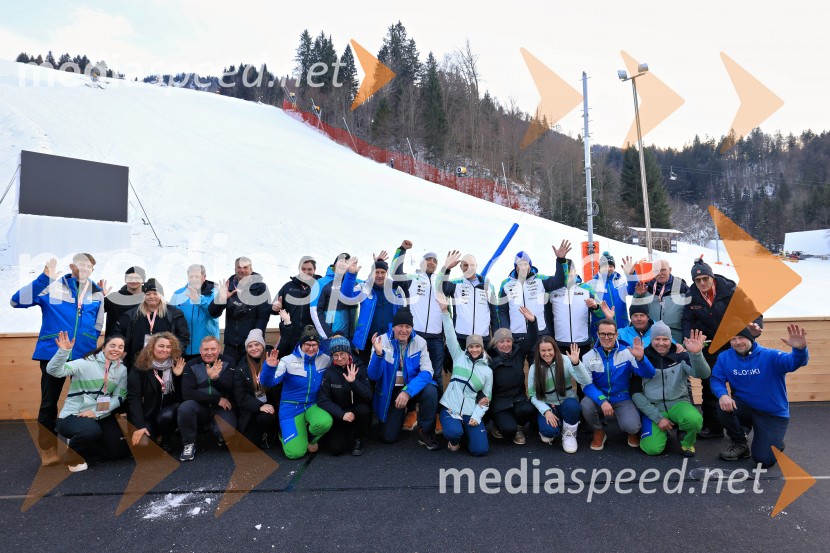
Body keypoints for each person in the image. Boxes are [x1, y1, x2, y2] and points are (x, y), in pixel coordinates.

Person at [11, 254, 105, 465]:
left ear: (92, 269)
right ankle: (48, 447)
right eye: (80, 264)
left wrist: (88, 343)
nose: (84, 268)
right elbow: (16, 301)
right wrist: (43, 278)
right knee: (49, 403)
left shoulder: (97, 294)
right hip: (54, 354)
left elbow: (98, 325)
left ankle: (79, 445)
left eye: (88, 266)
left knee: (84, 401)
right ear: (72, 266)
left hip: (83, 356)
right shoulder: (51, 287)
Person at [682, 257, 763, 439]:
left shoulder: (732, 290)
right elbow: (687, 319)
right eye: (698, 280)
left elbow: (754, 313)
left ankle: (742, 426)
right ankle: (713, 427)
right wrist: (687, 339)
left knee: (739, 385)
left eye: (705, 279)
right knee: (710, 384)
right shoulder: (690, 295)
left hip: (735, 343)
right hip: (710, 345)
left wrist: (756, 327)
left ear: (712, 277)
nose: (702, 283)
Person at [712, 324, 809, 468]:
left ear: (751, 338)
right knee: (723, 406)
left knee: (763, 460)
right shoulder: (725, 357)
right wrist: (722, 394)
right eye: (733, 339)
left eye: (741, 337)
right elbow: (716, 379)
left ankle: (775, 441)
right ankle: (740, 443)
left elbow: (793, 362)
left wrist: (800, 350)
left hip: (771, 413)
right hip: (745, 407)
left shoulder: (770, 355)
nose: (737, 342)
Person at [47, 331, 129, 472]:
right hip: (73, 416)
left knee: (118, 452)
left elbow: (120, 396)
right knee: (90, 430)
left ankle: (82, 444)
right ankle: (71, 456)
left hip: (101, 415)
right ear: (103, 347)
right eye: (113, 345)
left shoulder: (122, 370)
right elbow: (54, 371)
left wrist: (96, 412)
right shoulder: (84, 363)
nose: (116, 349)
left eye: (120, 347)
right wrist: (63, 352)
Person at [633, 324, 710, 457]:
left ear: (670, 339)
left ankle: (686, 441)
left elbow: (703, 374)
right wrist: (658, 418)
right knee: (652, 449)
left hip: (678, 403)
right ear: (651, 339)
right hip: (654, 407)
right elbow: (635, 393)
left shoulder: (681, 355)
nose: (661, 343)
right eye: (657, 339)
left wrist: (696, 354)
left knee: (694, 420)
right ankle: (663, 430)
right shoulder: (640, 356)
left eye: (665, 339)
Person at [367, 308, 440, 450]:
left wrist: (407, 391)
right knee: (387, 437)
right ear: (393, 327)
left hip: (412, 387)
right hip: (391, 391)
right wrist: (378, 354)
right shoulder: (381, 341)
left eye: (408, 326)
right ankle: (400, 417)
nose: (404, 330)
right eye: (400, 326)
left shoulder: (420, 342)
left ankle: (424, 432)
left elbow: (427, 372)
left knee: (431, 390)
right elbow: (373, 376)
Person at [391, 241, 445, 431]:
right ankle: (412, 412)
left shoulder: (442, 283)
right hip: (416, 336)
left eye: (434, 260)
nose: (431, 262)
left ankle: (438, 415)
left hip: (437, 337)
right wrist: (402, 250)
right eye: (428, 259)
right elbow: (395, 273)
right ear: (422, 263)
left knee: (437, 377)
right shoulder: (413, 279)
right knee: (412, 373)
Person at [581, 319, 656, 450]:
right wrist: (602, 401)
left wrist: (641, 359)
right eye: (602, 334)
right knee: (585, 404)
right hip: (600, 398)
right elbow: (586, 385)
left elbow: (649, 374)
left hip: (623, 398)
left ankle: (631, 432)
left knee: (632, 427)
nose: (606, 337)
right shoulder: (587, 357)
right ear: (598, 335)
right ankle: (599, 431)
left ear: (616, 334)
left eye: (610, 334)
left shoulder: (627, 352)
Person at [261, 325, 333, 459]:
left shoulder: (325, 359)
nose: (311, 348)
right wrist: (269, 367)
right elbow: (268, 383)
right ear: (301, 343)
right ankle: (283, 433)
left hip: (313, 405)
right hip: (291, 408)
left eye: (314, 344)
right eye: (307, 344)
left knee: (324, 422)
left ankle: (309, 438)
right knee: (295, 453)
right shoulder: (287, 360)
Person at [437, 295, 492, 456]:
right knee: (454, 433)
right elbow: (450, 334)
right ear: (467, 348)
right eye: (471, 347)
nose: (474, 349)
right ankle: (454, 441)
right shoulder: (458, 356)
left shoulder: (487, 371)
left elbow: (486, 399)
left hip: (470, 412)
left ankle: (468, 433)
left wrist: (477, 416)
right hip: (450, 408)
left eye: (477, 347)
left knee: (480, 450)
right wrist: (445, 311)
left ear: (482, 349)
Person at [527, 336, 591, 453]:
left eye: (549, 350)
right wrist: (546, 411)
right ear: (539, 352)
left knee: (572, 406)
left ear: (555, 349)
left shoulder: (566, 360)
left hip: (567, 402)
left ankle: (569, 434)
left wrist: (576, 363)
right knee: (548, 434)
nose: (547, 354)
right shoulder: (534, 368)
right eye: (543, 351)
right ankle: (558, 425)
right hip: (549, 405)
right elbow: (532, 395)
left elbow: (585, 381)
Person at [497, 241, 570, 343]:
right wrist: (506, 332)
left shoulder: (540, 280)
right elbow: (502, 311)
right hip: (516, 334)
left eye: (526, 264)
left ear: (530, 266)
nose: (523, 267)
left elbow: (560, 282)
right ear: (515, 267)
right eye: (520, 264)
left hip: (539, 332)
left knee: (539, 359)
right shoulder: (506, 284)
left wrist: (560, 260)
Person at [177, 336, 236, 462]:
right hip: (200, 406)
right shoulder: (192, 364)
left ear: (219, 349)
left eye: (213, 349)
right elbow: (187, 393)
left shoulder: (228, 361)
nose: (209, 352)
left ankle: (220, 435)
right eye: (206, 349)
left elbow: (229, 387)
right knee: (185, 407)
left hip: (222, 407)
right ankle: (189, 443)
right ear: (200, 350)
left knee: (227, 433)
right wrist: (216, 399)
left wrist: (215, 379)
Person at [487, 306, 538, 445]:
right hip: (500, 401)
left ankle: (519, 428)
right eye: (502, 341)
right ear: (496, 343)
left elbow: (532, 338)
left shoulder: (518, 353)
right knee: (508, 430)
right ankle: (498, 424)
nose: (506, 344)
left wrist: (532, 322)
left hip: (518, 397)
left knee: (529, 409)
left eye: (508, 340)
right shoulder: (489, 359)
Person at [127, 333, 186, 451]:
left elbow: (183, 394)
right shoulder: (140, 366)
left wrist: (178, 376)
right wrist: (139, 426)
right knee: (144, 446)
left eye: (169, 347)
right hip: (147, 414)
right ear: (152, 346)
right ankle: (153, 434)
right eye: (161, 346)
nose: (165, 350)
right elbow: (134, 398)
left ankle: (166, 438)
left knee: (166, 416)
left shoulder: (176, 364)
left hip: (167, 413)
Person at [114, 279, 190, 368]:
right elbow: (117, 333)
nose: (151, 296)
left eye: (155, 293)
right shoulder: (132, 314)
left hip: (165, 362)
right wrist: (123, 349)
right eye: (148, 294)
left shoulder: (174, 314)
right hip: (137, 362)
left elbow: (184, 337)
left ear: (161, 295)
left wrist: (172, 354)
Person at [208, 256, 272, 363]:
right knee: (229, 376)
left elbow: (263, 317)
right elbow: (213, 313)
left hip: (251, 344)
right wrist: (221, 298)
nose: (242, 270)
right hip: (231, 345)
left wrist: (255, 338)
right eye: (239, 267)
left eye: (245, 267)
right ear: (235, 269)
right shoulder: (228, 286)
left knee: (250, 377)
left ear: (251, 269)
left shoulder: (260, 287)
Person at [317, 335, 373, 456]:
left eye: (342, 353)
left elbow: (368, 396)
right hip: (340, 413)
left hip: (357, 410)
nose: (339, 358)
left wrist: (354, 382)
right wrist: (341, 414)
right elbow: (323, 400)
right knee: (336, 449)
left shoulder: (360, 368)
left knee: (363, 410)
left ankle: (358, 438)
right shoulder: (329, 372)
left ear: (348, 353)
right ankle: (347, 435)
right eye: (335, 355)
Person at [440, 250, 498, 354]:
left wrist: (496, 336)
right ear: (461, 267)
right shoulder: (455, 283)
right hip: (461, 337)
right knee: (460, 368)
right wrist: (447, 268)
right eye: (465, 265)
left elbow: (494, 314)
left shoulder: (488, 286)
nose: (469, 268)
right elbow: (442, 288)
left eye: (472, 265)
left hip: (483, 338)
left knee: (481, 368)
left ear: (476, 266)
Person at [545, 258, 603, 358]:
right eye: (564, 271)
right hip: (560, 342)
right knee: (563, 373)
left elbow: (601, 313)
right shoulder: (552, 292)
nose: (567, 274)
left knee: (583, 372)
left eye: (570, 270)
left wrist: (596, 306)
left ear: (575, 271)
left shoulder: (586, 288)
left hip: (582, 342)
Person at [232, 329, 280, 449]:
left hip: (272, 407)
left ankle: (271, 432)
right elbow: (240, 395)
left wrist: (271, 369)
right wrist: (259, 406)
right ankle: (260, 433)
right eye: (250, 346)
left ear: (262, 345)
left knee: (266, 417)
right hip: (252, 408)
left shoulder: (273, 360)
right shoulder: (241, 367)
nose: (254, 348)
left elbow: (281, 386)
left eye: (257, 344)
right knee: (246, 446)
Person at [351, 252, 399, 365]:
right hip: (367, 340)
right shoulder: (365, 288)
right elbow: (347, 295)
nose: (380, 275)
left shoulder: (395, 290)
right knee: (366, 373)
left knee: (386, 371)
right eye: (377, 272)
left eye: (383, 272)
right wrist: (351, 275)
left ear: (387, 274)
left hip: (390, 339)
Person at [627, 259, 688, 342]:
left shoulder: (682, 288)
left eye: (663, 270)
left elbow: (690, 316)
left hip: (675, 335)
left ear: (670, 270)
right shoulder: (647, 288)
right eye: (656, 270)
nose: (660, 273)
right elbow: (636, 310)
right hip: (652, 335)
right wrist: (638, 295)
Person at [272, 256, 321, 357]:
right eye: (303, 269)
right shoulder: (288, 287)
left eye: (309, 269)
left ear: (314, 270)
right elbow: (273, 308)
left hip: (312, 339)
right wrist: (275, 307)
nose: (306, 272)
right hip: (290, 337)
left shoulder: (320, 286)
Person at [169, 264, 219, 361]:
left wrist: (199, 300)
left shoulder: (215, 293)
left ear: (204, 277)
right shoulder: (178, 294)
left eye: (197, 276)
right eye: (191, 276)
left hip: (207, 349)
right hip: (183, 348)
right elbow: (170, 318)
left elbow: (213, 314)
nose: (194, 279)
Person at [312, 253, 360, 339]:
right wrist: (328, 335)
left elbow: (372, 284)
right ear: (334, 264)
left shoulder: (355, 282)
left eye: (346, 262)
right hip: (330, 337)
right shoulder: (321, 283)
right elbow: (315, 311)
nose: (343, 264)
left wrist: (378, 263)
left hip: (350, 339)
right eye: (341, 261)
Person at [587, 252, 632, 337]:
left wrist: (631, 275)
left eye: (611, 266)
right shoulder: (591, 284)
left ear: (614, 268)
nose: (608, 268)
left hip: (621, 327)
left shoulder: (621, 282)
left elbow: (632, 290)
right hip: (601, 331)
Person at [104, 266, 145, 336]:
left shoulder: (149, 298)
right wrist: (100, 296)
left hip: (139, 342)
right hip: (115, 342)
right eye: (130, 278)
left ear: (143, 280)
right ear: (125, 279)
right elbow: (94, 311)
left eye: (137, 278)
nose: (133, 281)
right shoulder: (113, 297)